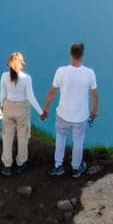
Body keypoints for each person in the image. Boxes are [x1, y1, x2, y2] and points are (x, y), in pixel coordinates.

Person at [42, 41, 98, 178]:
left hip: (63, 114)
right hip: (81, 116)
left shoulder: (61, 71)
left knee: (60, 138)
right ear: (82, 55)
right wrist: (94, 112)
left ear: (70, 54)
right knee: (78, 141)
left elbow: (51, 92)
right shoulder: (89, 73)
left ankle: (58, 166)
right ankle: (76, 168)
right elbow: (95, 96)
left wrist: (46, 109)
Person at [0, 51, 44, 176]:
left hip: (8, 107)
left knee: (7, 136)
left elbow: (3, 94)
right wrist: (41, 112)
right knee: (22, 136)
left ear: (9, 64)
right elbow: (30, 97)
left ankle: (7, 165)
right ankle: (20, 163)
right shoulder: (26, 78)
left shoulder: (4, 76)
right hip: (22, 109)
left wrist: (2, 106)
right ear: (22, 64)